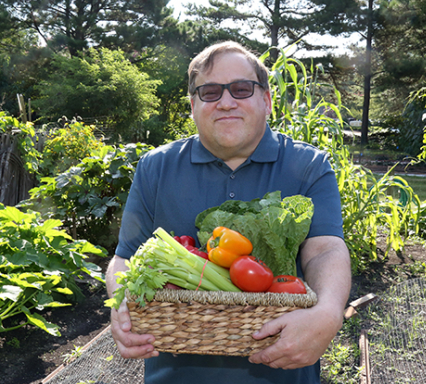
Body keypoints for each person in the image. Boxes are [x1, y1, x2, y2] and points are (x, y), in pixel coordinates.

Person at [106, 40, 352, 384]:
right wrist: (121, 303)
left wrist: (328, 313)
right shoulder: (155, 167)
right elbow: (125, 259)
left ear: (266, 100)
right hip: (175, 374)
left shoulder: (308, 165)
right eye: (209, 92)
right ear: (193, 105)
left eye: (241, 89)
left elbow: (325, 250)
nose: (225, 102)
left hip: (282, 368)